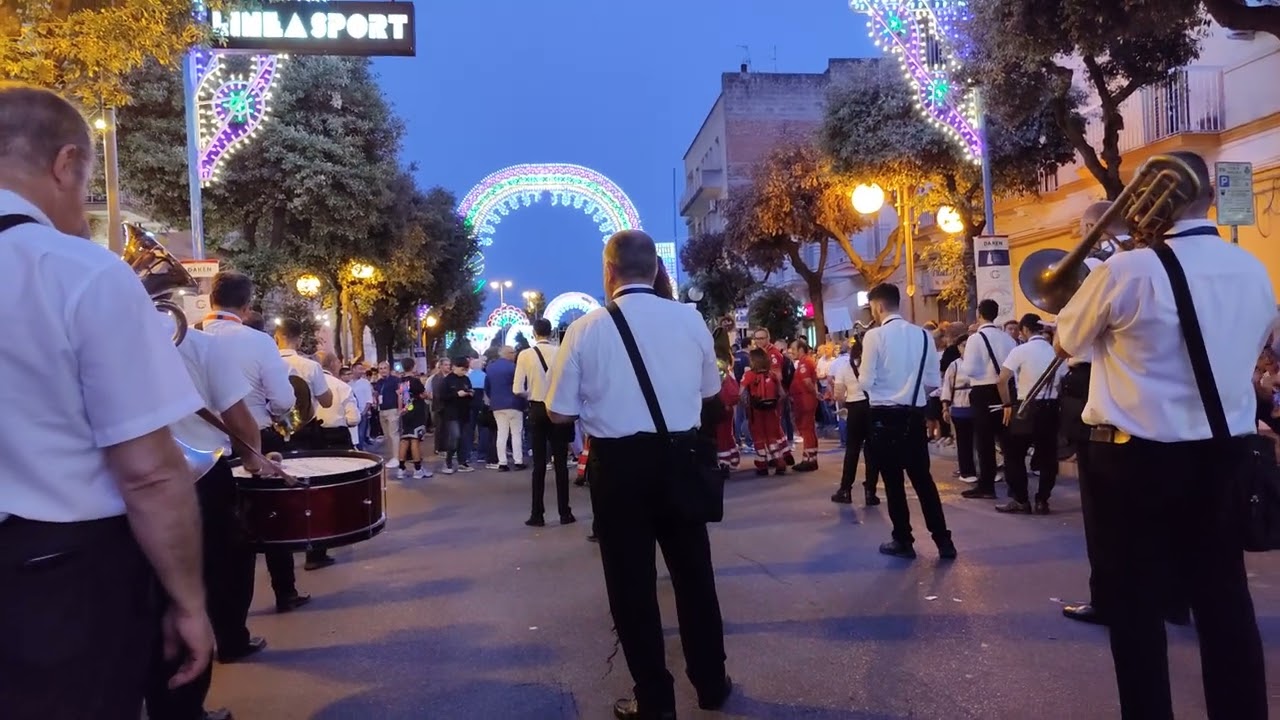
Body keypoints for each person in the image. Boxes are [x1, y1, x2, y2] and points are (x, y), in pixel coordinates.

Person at [0, 82, 211, 718]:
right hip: (57, 583)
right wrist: (190, 602)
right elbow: (148, 473)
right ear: (65, 164)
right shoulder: (79, 272)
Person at [1055, 151, 1270, 719]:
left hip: (1133, 461)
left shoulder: (1126, 270)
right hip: (1224, 454)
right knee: (1224, 601)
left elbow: (1067, 341)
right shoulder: (1252, 268)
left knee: (1135, 609)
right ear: (1209, 202)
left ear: (1150, 204)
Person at [546, 229, 731, 720]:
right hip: (682, 458)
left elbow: (559, 414)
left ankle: (655, 699)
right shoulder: (691, 321)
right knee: (694, 576)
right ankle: (712, 683)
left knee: (632, 587)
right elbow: (710, 393)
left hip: (620, 467)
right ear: (655, 269)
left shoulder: (586, 328)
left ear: (608, 273)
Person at [146, 322, 265, 720]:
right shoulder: (201, 346)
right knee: (206, 580)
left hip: (116, 483)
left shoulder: (97, 334)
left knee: (146, 593)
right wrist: (254, 459)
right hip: (200, 476)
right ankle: (184, 707)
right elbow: (239, 417)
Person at [203, 274, 311, 616]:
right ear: (247, 307)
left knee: (214, 530)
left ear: (210, 301)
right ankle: (285, 593)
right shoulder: (258, 341)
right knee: (271, 518)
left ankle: (216, 614)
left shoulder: (187, 336)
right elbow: (282, 399)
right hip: (255, 439)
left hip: (199, 446)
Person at [859, 283, 956, 560]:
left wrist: (885, 389)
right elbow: (931, 382)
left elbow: (865, 381)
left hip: (883, 416)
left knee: (893, 482)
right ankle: (943, 542)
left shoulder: (875, 336)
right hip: (914, 415)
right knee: (923, 481)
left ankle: (903, 539)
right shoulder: (924, 336)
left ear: (878, 306)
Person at [273, 319, 335, 572]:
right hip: (307, 432)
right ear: (298, 339)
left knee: (279, 491)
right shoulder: (309, 366)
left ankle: (282, 542)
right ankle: (315, 552)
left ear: (277, 337)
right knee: (313, 490)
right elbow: (327, 401)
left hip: (275, 433)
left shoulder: (268, 362)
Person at [994, 314, 1065, 515]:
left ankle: (1021, 500)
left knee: (1014, 455)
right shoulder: (1057, 352)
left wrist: (1007, 403)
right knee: (1049, 457)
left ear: (1025, 330)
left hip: (1026, 408)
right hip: (1050, 409)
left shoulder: (1020, 350)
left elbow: (1002, 379)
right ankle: (1043, 500)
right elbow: (1062, 381)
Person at [515, 317, 575, 527]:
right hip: (558, 407)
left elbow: (517, 389)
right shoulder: (561, 351)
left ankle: (537, 514)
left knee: (539, 464)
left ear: (534, 332)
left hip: (537, 409)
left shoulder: (525, 355)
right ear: (551, 332)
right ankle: (565, 512)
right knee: (560, 462)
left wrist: (532, 393)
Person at [959, 298, 1017, 500]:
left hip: (983, 391)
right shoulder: (1007, 339)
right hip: (1006, 391)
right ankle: (1015, 485)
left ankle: (986, 485)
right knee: (1007, 441)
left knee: (984, 442)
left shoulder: (976, 338)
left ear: (979, 313)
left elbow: (969, 370)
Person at [831, 338, 880, 505]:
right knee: (872, 452)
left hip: (854, 408)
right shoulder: (874, 366)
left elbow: (838, 394)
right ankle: (870, 492)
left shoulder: (844, 367)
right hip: (872, 408)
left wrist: (846, 401)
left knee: (852, 450)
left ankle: (845, 490)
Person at [741, 348, 788, 476]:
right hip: (771, 410)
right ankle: (780, 462)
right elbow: (782, 394)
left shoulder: (749, 375)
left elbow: (741, 393)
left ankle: (762, 465)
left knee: (759, 438)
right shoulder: (772, 374)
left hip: (756, 411)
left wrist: (746, 404)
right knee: (772, 437)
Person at [940, 334, 977, 484]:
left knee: (979, 442)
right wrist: (945, 408)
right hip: (960, 406)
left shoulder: (978, 363)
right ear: (958, 347)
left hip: (976, 406)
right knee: (963, 441)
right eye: (963, 345)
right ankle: (966, 471)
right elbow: (947, 387)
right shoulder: (954, 365)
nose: (966, 348)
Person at [486, 346, 526, 471]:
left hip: (497, 405)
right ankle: (518, 461)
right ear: (508, 354)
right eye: (513, 353)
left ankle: (502, 462)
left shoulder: (490, 368)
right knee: (516, 433)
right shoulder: (515, 368)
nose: (515, 355)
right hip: (514, 404)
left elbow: (487, 386)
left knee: (501, 433)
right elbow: (521, 385)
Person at [314, 351, 360, 451]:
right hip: (337, 437)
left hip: (311, 437)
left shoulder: (308, 384)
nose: (340, 366)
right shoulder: (342, 387)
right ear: (332, 364)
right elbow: (354, 419)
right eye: (338, 362)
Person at [439, 357, 477, 474]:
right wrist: (456, 394)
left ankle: (462, 462)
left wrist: (470, 393)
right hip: (452, 414)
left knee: (464, 439)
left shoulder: (466, 379)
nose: (463, 372)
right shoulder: (447, 380)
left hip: (464, 412)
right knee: (455, 436)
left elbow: (470, 389)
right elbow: (442, 396)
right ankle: (448, 462)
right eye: (462, 369)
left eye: (465, 370)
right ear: (455, 367)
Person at [396, 358, 431, 479]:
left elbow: (400, 396)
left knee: (404, 440)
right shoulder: (415, 381)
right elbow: (424, 394)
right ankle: (417, 469)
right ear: (413, 366)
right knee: (415, 440)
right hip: (416, 411)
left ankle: (401, 468)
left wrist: (400, 410)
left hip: (405, 412)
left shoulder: (400, 381)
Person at [788, 339, 820, 471]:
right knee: (808, 429)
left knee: (807, 429)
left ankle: (809, 459)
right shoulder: (805, 361)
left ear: (801, 349)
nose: (791, 352)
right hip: (804, 398)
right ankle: (810, 458)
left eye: (793, 349)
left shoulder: (805, 362)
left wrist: (815, 394)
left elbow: (807, 381)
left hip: (805, 399)